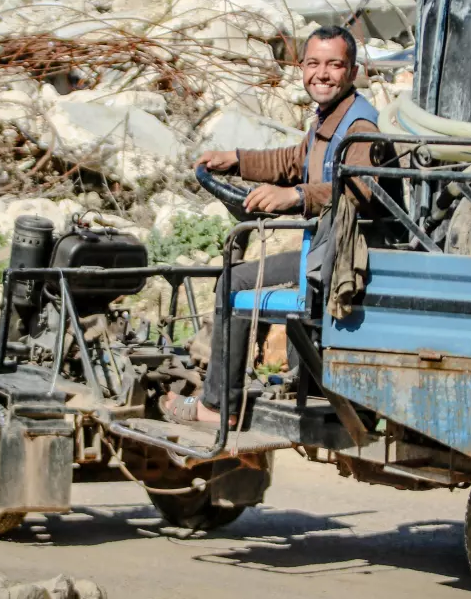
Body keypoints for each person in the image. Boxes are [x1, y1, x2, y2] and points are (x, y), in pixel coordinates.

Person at [162, 24, 384, 426]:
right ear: (301, 68)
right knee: (243, 276)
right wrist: (237, 160)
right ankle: (273, 376)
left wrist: (297, 196)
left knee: (236, 281)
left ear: (352, 72)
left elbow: (360, 189)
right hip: (323, 250)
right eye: (314, 63)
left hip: (340, 260)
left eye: (335, 65)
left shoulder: (359, 128)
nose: (322, 74)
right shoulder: (330, 120)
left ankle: (217, 406)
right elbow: (290, 162)